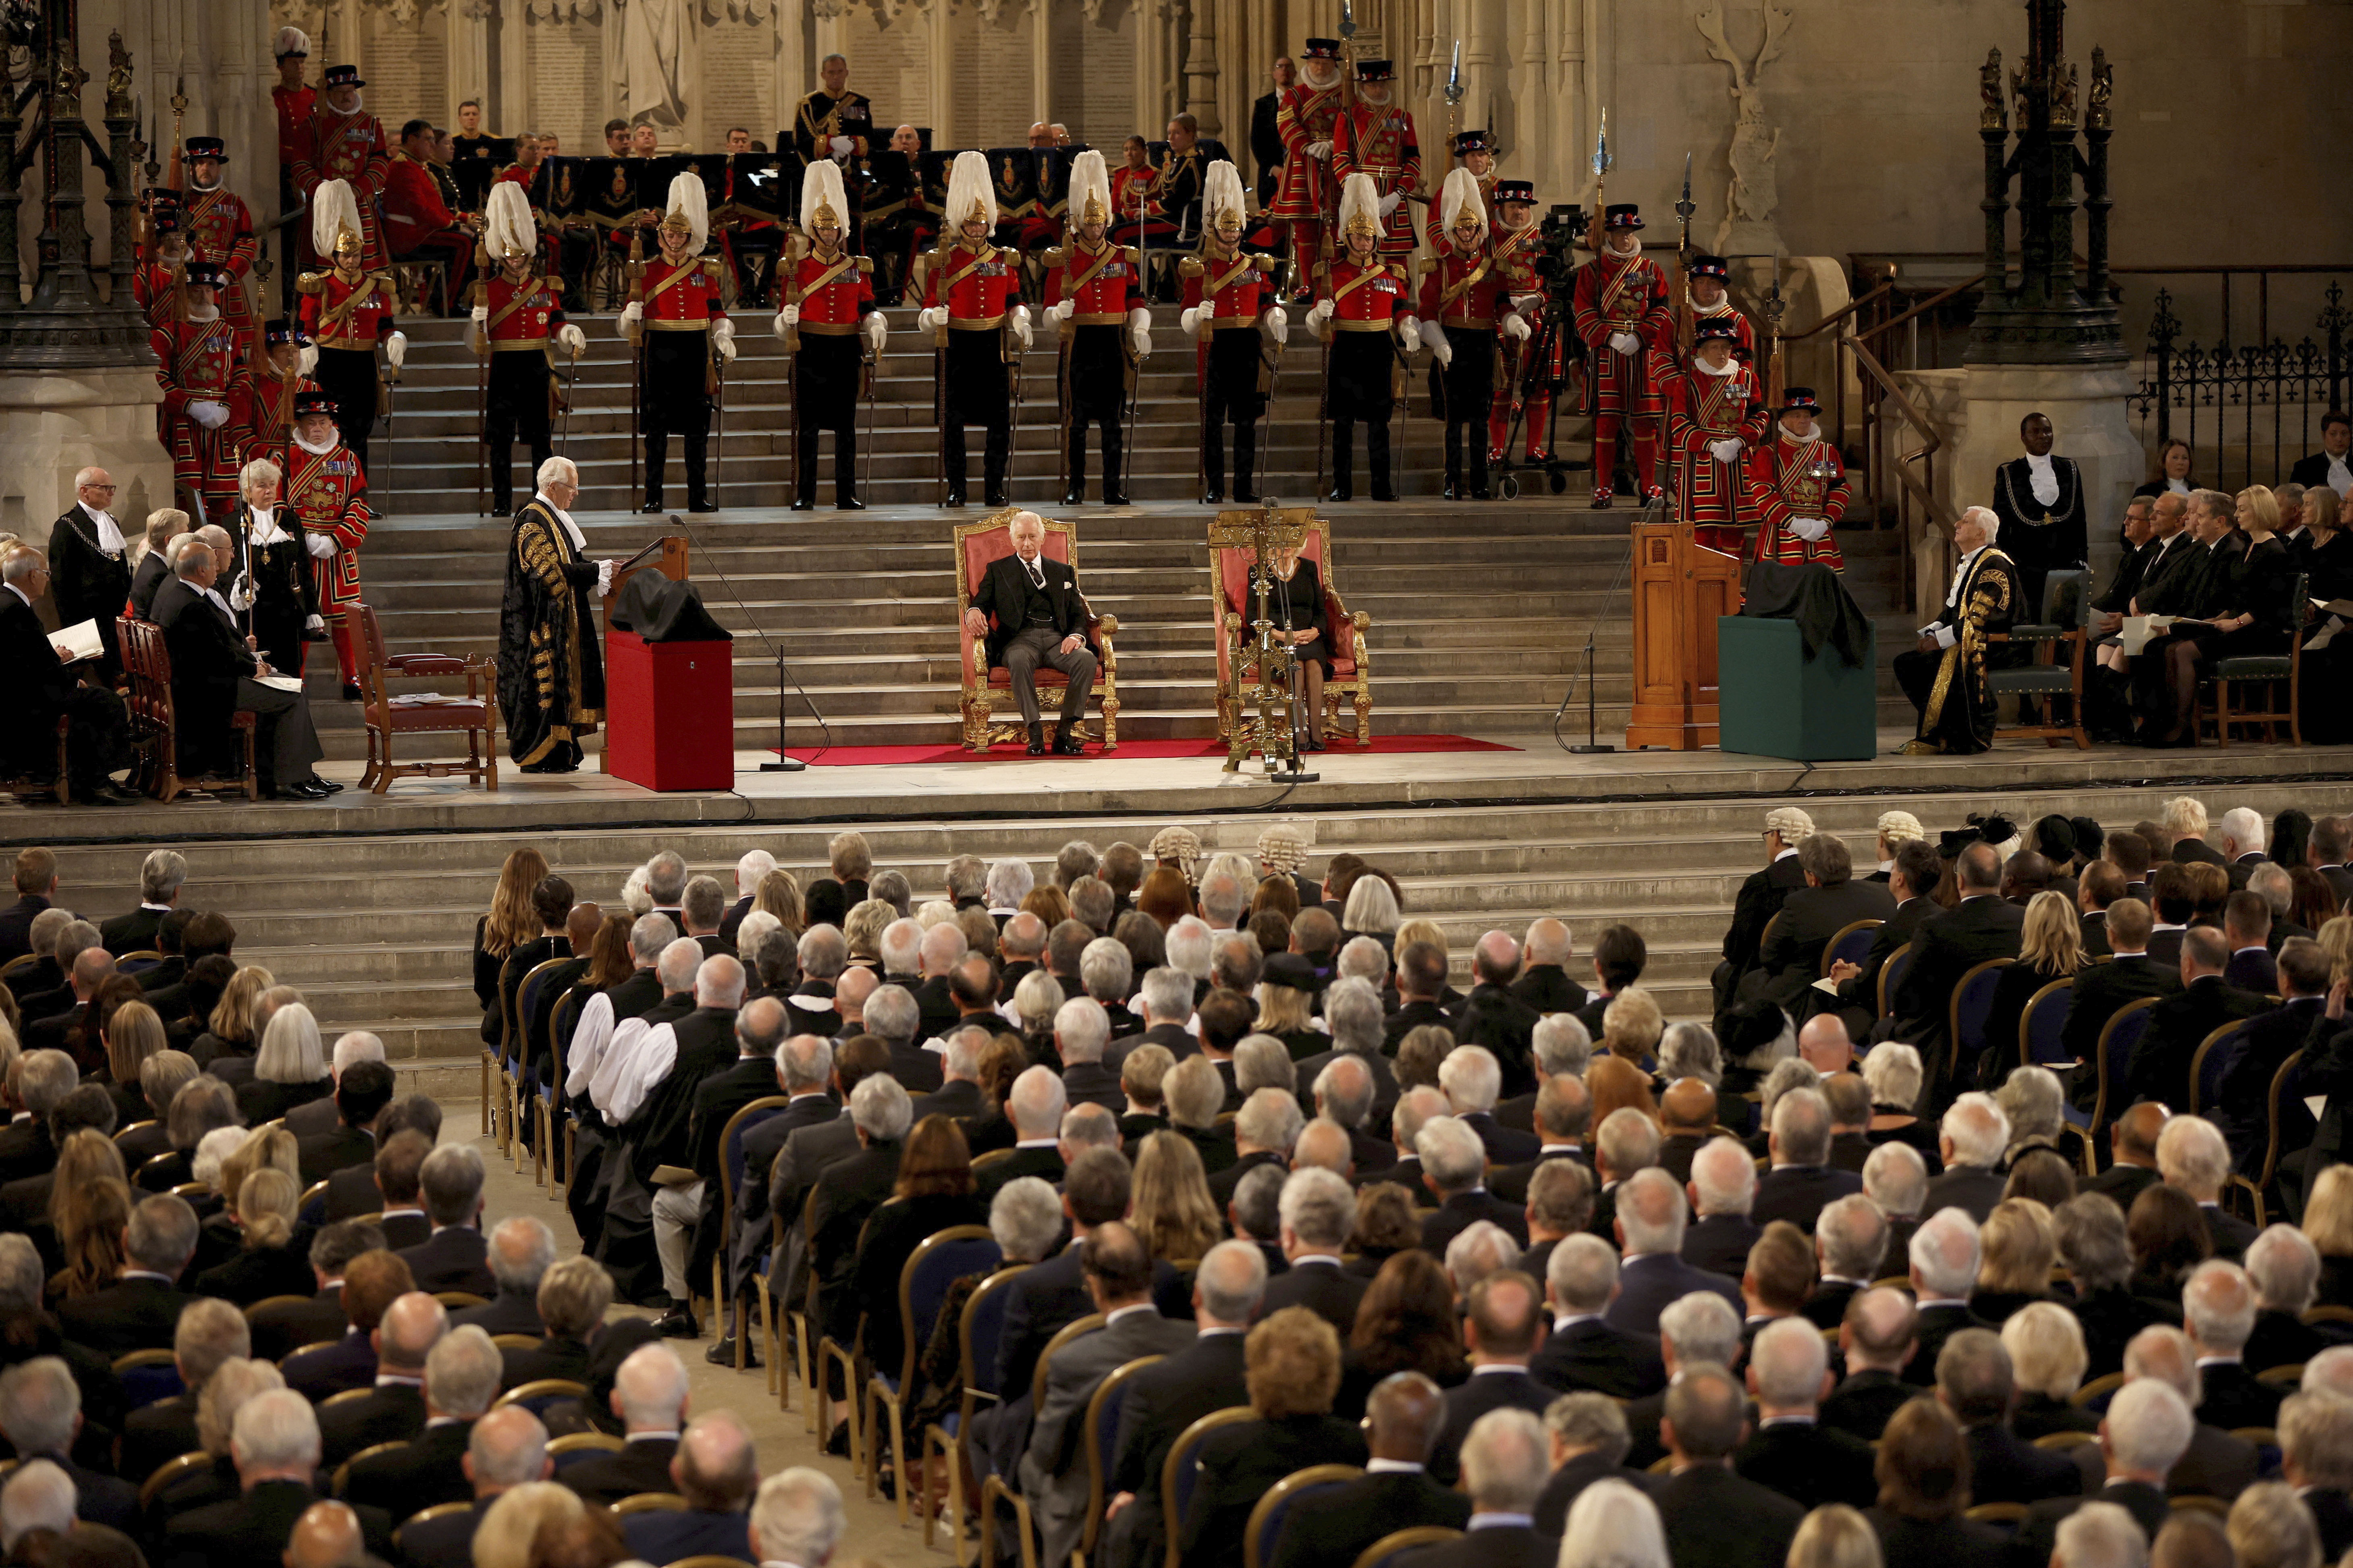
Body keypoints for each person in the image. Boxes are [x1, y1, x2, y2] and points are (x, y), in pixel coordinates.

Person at [148, 534, 330, 797]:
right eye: (212, 564)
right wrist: (250, 668)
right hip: (209, 693)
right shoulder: (191, 605)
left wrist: (252, 662)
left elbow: (219, 647)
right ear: (201, 570)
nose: (217, 570)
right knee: (293, 695)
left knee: (291, 684)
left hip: (210, 682)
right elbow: (215, 656)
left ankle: (292, 774)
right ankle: (289, 779)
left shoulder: (183, 595)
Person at [918, 151, 1030, 509]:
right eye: (971, 223)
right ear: (960, 225)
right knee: (953, 423)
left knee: (999, 422)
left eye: (982, 223)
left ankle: (994, 486)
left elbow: (1014, 299)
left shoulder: (1003, 258)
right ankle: (958, 488)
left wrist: (1021, 320)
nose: (977, 228)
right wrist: (931, 318)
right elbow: (926, 309)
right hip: (956, 346)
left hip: (993, 346)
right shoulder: (943, 259)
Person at [772, 160, 886, 513]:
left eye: (833, 230)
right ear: (812, 231)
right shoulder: (796, 267)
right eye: (822, 230)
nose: (828, 236)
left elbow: (868, 306)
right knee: (807, 428)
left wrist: (876, 324)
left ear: (841, 231)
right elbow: (781, 317)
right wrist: (785, 321)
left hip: (845, 349)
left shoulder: (857, 266)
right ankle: (805, 492)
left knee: (845, 428)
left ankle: (846, 492)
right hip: (810, 348)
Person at [2153, 485, 2300, 748]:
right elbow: (2238, 598)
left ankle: (2182, 727)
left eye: (2242, 510)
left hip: (2261, 633)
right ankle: (2172, 722)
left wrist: (2235, 623)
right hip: (2241, 626)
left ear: (2260, 511)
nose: (2237, 515)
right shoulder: (2250, 546)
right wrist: (2217, 618)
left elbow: (2267, 605)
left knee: (2184, 651)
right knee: (2170, 649)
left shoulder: (2274, 551)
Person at [470, 183, 585, 518]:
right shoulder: (486, 290)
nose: (516, 261)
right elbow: (474, 343)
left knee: (541, 441)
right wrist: (476, 322)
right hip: (504, 365)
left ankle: (544, 501)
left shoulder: (546, 287)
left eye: (520, 255)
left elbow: (557, 324)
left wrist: (569, 334)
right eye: (510, 255)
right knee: (501, 440)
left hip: (537, 365)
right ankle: (501, 501)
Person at [1045, 150, 1151, 507]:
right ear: (1079, 222)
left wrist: (1140, 329)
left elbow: (1135, 299)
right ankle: (1076, 485)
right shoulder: (1064, 257)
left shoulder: (1122, 256)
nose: (1095, 228)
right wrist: (1058, 313)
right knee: (1075, 423)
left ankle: (1112, 487)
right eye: (1089, 223)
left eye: (1100, 222)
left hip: (1112, 343)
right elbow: (1047, 311)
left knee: (1112, 423)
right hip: (1079, 343)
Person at [622, 172, 732, 514]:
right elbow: (629, 323)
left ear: (690, 236)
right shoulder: (646, 271)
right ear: (660, 237)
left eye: (680, 234)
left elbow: (716, 310)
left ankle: (697, 496)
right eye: (669, 233)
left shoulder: (705, 271)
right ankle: (653, 496)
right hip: (659, 351)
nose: (674, 239)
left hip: (694, 351)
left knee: (697, 429)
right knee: (656, 430)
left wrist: (723, 333)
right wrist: (630, 315)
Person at [1417, 168, 1528, 501]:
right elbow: (1425, 311)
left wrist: (1514, 324)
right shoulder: (1439, 267)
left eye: (1472, 227)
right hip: (1451, 343)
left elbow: (1502, 306)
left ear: (1481, 229)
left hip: (1482, 345)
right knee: (1453, 422)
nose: (1467, 233)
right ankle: (1452, 481)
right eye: (1462, 228)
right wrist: (1437, 342)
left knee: (1480, 420)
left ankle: (1480, 482)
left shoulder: (1494, 268)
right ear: (1453, 231)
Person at [496, 456, 613, 773]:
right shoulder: (532, 520)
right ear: (552, 486)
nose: (575, 493)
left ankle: (563, 750)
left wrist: (596, 570)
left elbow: (569, 564)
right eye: (571, 487)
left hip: (559, 621)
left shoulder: (554, 517)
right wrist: (594, 571)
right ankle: (542, 753)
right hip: (539, 626)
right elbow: (549, 575)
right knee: (544, 691)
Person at [1308, 172, 1418, 503]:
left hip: (1379, 349)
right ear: (1347, 237)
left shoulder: (1389, 274)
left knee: (1378, 425)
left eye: (1369, 237)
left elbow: (1399, 308)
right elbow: (1315, 317)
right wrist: (1319, 314)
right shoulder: (1332, 273)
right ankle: (1342, 485)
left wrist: (1409, 327)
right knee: (1343, 424)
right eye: (1359, 237)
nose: (1365, 243)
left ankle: (1380, 486)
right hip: (1346, 348)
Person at [1179, 160, 1285, 504]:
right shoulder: (1200, 268)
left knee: (1246, 423)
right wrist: (1198, 314)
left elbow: (1266, 302)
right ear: (1214, 229)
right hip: (1215, 345)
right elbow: (1184, 316)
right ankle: (1215, 486)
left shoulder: (1254, 264)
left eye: (1235, 228)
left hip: (1246, 345)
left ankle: (1244, 485)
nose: (1231, 234)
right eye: (1225, 229)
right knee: (1212, 422)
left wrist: (1276, 320)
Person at [0, 546, 133, 805]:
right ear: (32, 575)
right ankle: (94, 783)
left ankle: (87, 778)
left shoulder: (7, 601)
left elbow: (28, 658)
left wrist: (57, 663)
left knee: (94, 699)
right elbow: (36, 669)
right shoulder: (16, 610)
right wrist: (72, 679)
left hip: (20, 694)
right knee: (108, 702)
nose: (48, 578)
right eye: (46, 572)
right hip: (25, 704)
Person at [962, 510, 1099, 757]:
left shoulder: (1063, 572)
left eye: (1032, 537)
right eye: (1021, 537)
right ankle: (1035, 734)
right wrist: (972, 611)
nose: (1027, 544)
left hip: (1058, 640)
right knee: (1018, 660)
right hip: (1019, 640)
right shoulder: (998, 570)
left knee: (1087, 659)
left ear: (1042, 538)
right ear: (1012, 540)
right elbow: (981, 601)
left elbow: (1078, 614)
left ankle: (1064, 733)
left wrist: (1077, 636)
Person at [295, 179, 405, 474]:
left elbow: (385, 323)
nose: (352, 261)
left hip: (364, 362)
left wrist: (394, 337)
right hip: (333, 361)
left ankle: (360, 493)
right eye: (346, 255)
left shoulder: (376, 286)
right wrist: (308, 345)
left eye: (356, 255)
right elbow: (307, 325)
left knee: (361, 429)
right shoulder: (320, 285)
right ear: (335, 256)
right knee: (333, 428)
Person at [1896, 505, 2019, 756]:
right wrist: (1933, 632)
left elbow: (1980, 618)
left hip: (1993, 645)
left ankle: (1956, 736)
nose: (1957, 525)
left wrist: (1939, 641)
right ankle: (1944, 733)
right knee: (1907, 663)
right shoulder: (1973, 562)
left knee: (1924, 664)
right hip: (1968, 638)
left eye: (1966, 521)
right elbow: (1955, 610)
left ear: (1981, 533)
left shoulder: (1995, 565)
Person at [1573, 204, 1672, 508]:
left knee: (1646, 424)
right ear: (1609, 236)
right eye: (1619, 233)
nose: (1626, 239)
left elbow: (1662, 309)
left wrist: (1642, 335)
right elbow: (1582, 312)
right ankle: (1603, 487)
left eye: (1629, 233)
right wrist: (1610, 336)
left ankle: (1648, 486)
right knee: (1606, 423)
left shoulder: (1651, 270)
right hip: (1607, 354)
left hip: (1642, 355)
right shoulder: (1592, 271)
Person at [153, 259, 255, 528]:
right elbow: (158, 378)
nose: (204, 296)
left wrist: (228, 409)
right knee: (186, 492)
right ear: (184, 294)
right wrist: (189, 406)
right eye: (197, 290)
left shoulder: (230, 333)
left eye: (209, 290)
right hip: (183, 421)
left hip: (220, 421)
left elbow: (241, 376)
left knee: (223, 495)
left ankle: (223, 547)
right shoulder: (167, 333)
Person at [1661, 317, 1770, 555]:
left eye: (1726, 347)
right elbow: (1679, 424)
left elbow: (1761, 415)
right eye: (1714, 347)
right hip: (1703, 463)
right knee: (1703, 534)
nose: (1722, 353)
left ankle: (1730, 592)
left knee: (1736, 532)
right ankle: (1704, 592)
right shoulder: (1688, 380)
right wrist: (1710, 445)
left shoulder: (1746, 378)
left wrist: (1738, 441)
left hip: (1739, 461)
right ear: (1701, 351)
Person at [291, 64, 391, 272]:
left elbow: (380, 162)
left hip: (360, 202)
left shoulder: (371, 124)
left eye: (350, 92)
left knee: (363, 267)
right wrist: (324, 192)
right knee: (325, 268)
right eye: (340, 92)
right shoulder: (312, 125)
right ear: (328, 94)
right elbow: (300, 164)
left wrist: (357, 190)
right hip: (324, 206)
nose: (347, 97)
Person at [1990, 412, 2088, 621]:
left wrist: (2082, 558)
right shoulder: (2010, 472)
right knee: (2029, 623)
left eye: (2047, 431)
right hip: (2025, 565)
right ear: (2023, 438)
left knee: (2065, 625)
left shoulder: (2069, 468)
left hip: (2064, 562)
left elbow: (2080, 518)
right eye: (2036, 432)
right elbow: (2001, 522)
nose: (2043, 436)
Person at [380, 118, 478, 311]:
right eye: (428, 139)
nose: (433, 144)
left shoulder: (417, 166)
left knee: (471, 240)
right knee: (463, 243)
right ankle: (446, 303)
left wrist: (461, 220)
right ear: (411, 140)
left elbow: (436, 207)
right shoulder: (402, 167)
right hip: (409, 238)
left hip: (420, 232)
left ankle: (454, 298)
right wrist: (455, 226)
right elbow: (420, 210)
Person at [1747, 387, 1851, 568]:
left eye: (1807, 415)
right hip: (1782, 532)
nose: (1803, 420)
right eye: (1796, 416)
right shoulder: (1768, 453)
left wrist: (1826, 522)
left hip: (1819, 532)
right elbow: (1763, 492)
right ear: (1783, 420)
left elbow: (1839, 489)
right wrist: (1793, 523)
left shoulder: (1827, 452)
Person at [1330, 58, 1419, 261]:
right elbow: (1341, 159)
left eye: (1382, 85)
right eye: (1373, 85)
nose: (1378, 90)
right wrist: (1359, 192)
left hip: (1394, 192)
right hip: (1361, 190)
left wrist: (1398, 194)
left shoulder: (1402, 117)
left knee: (1398, 261)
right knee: (1359, 254)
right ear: (1362, 86)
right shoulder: (1349, 117)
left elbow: (1413, 159)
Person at [178, 135, 258, 334]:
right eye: (200, 163)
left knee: (228, 340)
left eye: (211, 163)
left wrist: (227, 276)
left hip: (224, 279)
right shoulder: (180, 203)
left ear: (219, 167)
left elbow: (246, 243)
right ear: (192, 168)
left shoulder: (234, 203)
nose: (206, 168)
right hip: (189, 281)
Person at [791, 53, 874, 235]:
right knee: (821, 226)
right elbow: (801, 141)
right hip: (820, 176)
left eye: (839, 72)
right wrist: (830, 143)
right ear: (823, 75)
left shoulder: (857, 103)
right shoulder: (810, 104)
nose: (836, 77)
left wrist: (852, 143)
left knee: (851, 226)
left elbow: (868, 137)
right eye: (831, 73)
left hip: (851, 175)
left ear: (846, 73)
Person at [2288, 410, 2351, 499]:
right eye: (2333, 434)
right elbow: (2296, 502)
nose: (2339, 439)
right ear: (2324, 435)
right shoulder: (2304, 468)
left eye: (2344, 434)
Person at [2135, 436, 2196, 501]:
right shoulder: (2146, 492)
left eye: (2185, 458)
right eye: (2175, 458)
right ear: (2163, 462)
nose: (2180, 462)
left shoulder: (2200, 493)